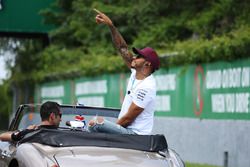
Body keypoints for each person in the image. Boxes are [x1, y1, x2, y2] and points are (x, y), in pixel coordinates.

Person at [88, 9, 160, 135]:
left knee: (96, 123)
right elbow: (122, 48)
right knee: (90, 125)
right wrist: (111, 26)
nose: (134, 57)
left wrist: (109, 130)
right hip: (126, 130)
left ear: (147, 64)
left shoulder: (147, 86)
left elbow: (127, 119)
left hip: (135, 136)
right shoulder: (135, 73)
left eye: (138, 56)